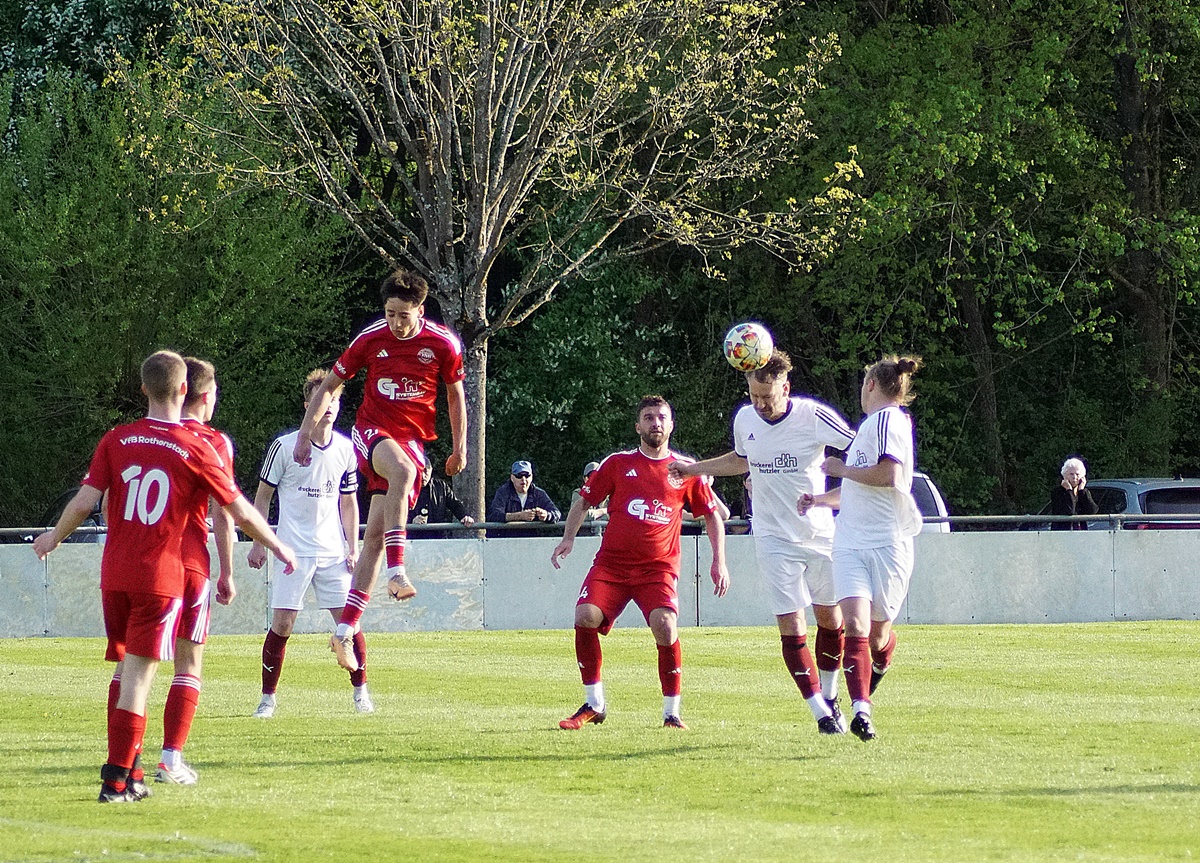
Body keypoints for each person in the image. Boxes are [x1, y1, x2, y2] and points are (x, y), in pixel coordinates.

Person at [32, 350, 297, 803]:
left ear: (143, 389)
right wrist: (276, 544)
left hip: (114, 572)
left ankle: (131, 771)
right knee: (140, 675)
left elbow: (84, 502)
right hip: (162, 574)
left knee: (125, 668)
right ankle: (117, 780)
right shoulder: (198, 446)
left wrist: (53, 538)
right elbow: (236, 510)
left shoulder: (117, 438)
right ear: (184, 391)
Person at [671, 350, 856, 735]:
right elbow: (742, 460)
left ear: (785, 388)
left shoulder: (812, 416)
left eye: (768, 398)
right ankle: (820, 713)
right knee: (791, 623)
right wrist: (695, 469)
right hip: (772, 537)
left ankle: (832, 696)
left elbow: (858, 449)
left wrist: (836, 489)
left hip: (819, 533)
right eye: (755, 397)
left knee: (830, 619)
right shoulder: (745, 418)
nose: (761, 405)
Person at [295, 269, 467, 672]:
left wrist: (460, 448)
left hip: (413, 440)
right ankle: (398, 571)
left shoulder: (443, 344)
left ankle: (343, 632)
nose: (395, 322)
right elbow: (329, 386)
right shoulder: (370, 339)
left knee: (372, 537)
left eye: (403, 315)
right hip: (371, 433)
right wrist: (304, 434)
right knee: (404, 472)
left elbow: (456, 397)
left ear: (420, 310)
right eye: (390, 313)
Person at [551, 395, 730, 730]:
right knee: (585, 616)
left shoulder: (686, 469)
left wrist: (719, 560)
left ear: (671, 424)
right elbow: (584, 500)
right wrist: (568, 538)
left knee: (665, 626)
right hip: (612, 565)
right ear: (638, 426)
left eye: (662, 417)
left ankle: (671, 712)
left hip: (657, 569)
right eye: (648, 417)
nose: (655, 423)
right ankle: (594, 702)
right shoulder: (617, 463)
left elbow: (712, 516)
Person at [799, 355, 924, 742]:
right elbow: (859, 488)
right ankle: (860, 712)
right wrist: (820, 501)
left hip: (888, 543)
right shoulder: (872, 426)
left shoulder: (889, 420)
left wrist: (840, 469)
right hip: (851, 542)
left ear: (871, 384)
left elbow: (888, 475)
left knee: (877, 636)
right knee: (853, 624)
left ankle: (881, 660)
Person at [249, 369, 370, 718]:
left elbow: (348, 501)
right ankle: (267, 699)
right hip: (293, 551)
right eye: (321, 399)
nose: (328, 405)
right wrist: (259, 541)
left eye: (333, 398)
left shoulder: (346, 449)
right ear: (308, 406)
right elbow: (263, 496)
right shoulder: (285, 447)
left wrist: (352, 545)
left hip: (332, 551)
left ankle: (361, 691)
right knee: (282, 624)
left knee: (348, 624)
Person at [151, 357, 238, 786]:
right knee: (188, 663)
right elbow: (224, 512)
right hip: (188, 562)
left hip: (142, 561)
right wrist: (227, 571)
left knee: (130, 665)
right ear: (206, 395)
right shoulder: (214, 442)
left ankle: (122, 759)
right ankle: (170, 758)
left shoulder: (143, 434)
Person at [487, 461, 562, 532]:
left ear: (531, 477)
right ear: (512, 478)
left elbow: (556, 513)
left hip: (531, 541)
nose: (523, 479)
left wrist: (546, 515)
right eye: (519, 476)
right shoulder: (503, 493)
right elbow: (494, 515)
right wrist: (519, 516)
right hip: (505, 540)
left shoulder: (539, 494)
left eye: (527, 476)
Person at [411, 457, 476, 538]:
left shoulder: (440, 486)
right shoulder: (406, 487)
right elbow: (395, 512)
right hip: (412, 539)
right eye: (420, 471)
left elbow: (454, 504)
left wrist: (464, 516)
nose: (423, 476)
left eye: (425, 471)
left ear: (431, 470)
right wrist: (411, 521)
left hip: (437, 539)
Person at [1051, 457, 1097, 530]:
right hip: (1062, 534)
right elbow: (1069, 511)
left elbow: (1092, 511)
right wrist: (1069, 490)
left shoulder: (1084, 492)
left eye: (1077, 474)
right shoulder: (1057, 493)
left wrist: (1082, 490)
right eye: (1071, 474)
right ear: (1065, 475)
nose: (1074, 477)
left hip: (1081, 534)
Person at [570, 461, 607, 536]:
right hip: (584, 539)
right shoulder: (579, 494)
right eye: (590, 476)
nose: (594, 479)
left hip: (606, 539)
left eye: (597, 476)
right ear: (585, 479)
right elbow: (577, 514)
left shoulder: (608, 495)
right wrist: (604, 511)